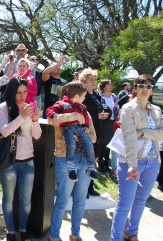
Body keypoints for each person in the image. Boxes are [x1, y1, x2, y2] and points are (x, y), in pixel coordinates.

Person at [110, 74, 163, 241]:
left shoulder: (156, 110)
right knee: (125, 204)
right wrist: (132, 164)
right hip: (132, 162)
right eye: (141, 85)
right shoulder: (128, 108)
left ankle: (131, 232)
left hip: (152, 161)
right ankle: (116, 238)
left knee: (141, 200)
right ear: (135, 88)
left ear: (152, 90)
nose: (145, 89)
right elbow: (129, 138)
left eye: (149, 86)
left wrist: (142, 132)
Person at [0, 77, 42, 241]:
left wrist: (35, 120)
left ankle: (23, 229)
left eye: (24, 92)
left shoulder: (29, 108)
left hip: (28, 161)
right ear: (12, 93)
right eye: (19, 93)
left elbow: (36, 135)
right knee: (8, 199)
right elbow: (4, 131)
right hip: (9, 162)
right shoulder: (3, 108)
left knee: (26, 201)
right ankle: (10, 230)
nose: (22, 96)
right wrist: (22, 116)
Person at [48, 110, 97, 241]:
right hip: (66, 159)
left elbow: (93, 137)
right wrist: (74, 117)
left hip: (85, 159)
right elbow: (52, 123)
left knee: (80, 201)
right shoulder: (58, 111)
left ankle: (75, 234)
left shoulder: (86, 112)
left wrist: (81, 136)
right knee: (62, 200)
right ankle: (54, 235)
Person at [46, 82, 97, 181]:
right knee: (71, 144)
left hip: (80, 134)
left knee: (89, 144)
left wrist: (86, 126)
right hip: (67, 133)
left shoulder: (82, 107)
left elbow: (92, 133)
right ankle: (70, 167)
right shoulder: (62, 104)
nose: (85, 98)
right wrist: (56, 116)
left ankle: (91, 167)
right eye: (84, 96)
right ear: (77, 95)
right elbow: (49, 112)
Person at [79, 68, 110, 197]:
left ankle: (90, 187)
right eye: (90, 79)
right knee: (85, 160)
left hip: (98, 132)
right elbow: (81, 112)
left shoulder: (96, 94)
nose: (93, 82)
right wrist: (97, 116)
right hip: (87, 131)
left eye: (95, 79)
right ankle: (82, 189)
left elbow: (101, 107)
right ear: (84, 80)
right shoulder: (82, 94)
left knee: (93, 160)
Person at [99, 79, 120, 175]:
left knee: (109, 143)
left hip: (112, 122)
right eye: (108, 85)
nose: (110, 86)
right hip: (103, 122)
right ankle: (101, 164)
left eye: (110, 84)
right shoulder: (100, 97)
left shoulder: (114, 96)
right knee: (102, 143)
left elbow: (116, 108)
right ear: (103, 87)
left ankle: (107, 164)